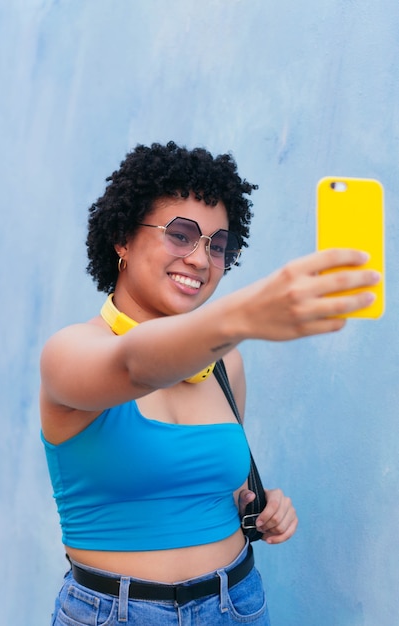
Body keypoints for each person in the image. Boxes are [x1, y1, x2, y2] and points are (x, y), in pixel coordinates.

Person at [40, 141, 380, 626]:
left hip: (236, 603)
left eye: (218, 245)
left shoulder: (225, 366)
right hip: (114, 614)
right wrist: (239, 316)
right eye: (181, 235)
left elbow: (219, 487)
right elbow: (136, 366)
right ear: (121, 238)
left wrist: (257, 505)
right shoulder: (69, 353)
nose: (201, 260)